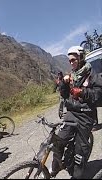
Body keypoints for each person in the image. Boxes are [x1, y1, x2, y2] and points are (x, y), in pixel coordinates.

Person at [50, 46, 102, 179]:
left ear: (81, 58)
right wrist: (63, 84)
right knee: (57, 141)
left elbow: (99, 94)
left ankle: (77, 175)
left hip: (86, 115)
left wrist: (83, 92)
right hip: (72, 112)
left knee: (80, 153)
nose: (71, 63)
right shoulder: (72, 75)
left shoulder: (92, 74)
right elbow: (65, 94)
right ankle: (56, 166)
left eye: (74, 60)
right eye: (70, 61)